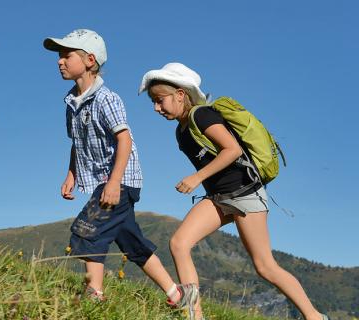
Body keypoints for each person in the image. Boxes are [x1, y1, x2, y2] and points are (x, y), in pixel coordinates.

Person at [140, 62, 328, 320]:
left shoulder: (201, 115)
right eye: (153, 102)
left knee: (265, 266)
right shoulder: (180, 131)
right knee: (179, 244)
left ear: (181, 94)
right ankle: (194, 316)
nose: (156, 108)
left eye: (160, 100)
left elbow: (232, 150)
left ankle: (314, 316)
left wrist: (197, 177)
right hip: (218, 198)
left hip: (245, 193)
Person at [43, 29, 194, 307]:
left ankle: (94, 297)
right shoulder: (71, 103)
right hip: (104, 179)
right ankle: (177, 294)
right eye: (58, 57)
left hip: (119, 179)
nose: (59, 61)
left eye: (66, 55)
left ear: (89, 60)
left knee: (88, 230)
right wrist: (71, 174)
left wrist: (114, 183)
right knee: (130, 241)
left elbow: (124, 140)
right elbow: (77, 142)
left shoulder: (106, 99)